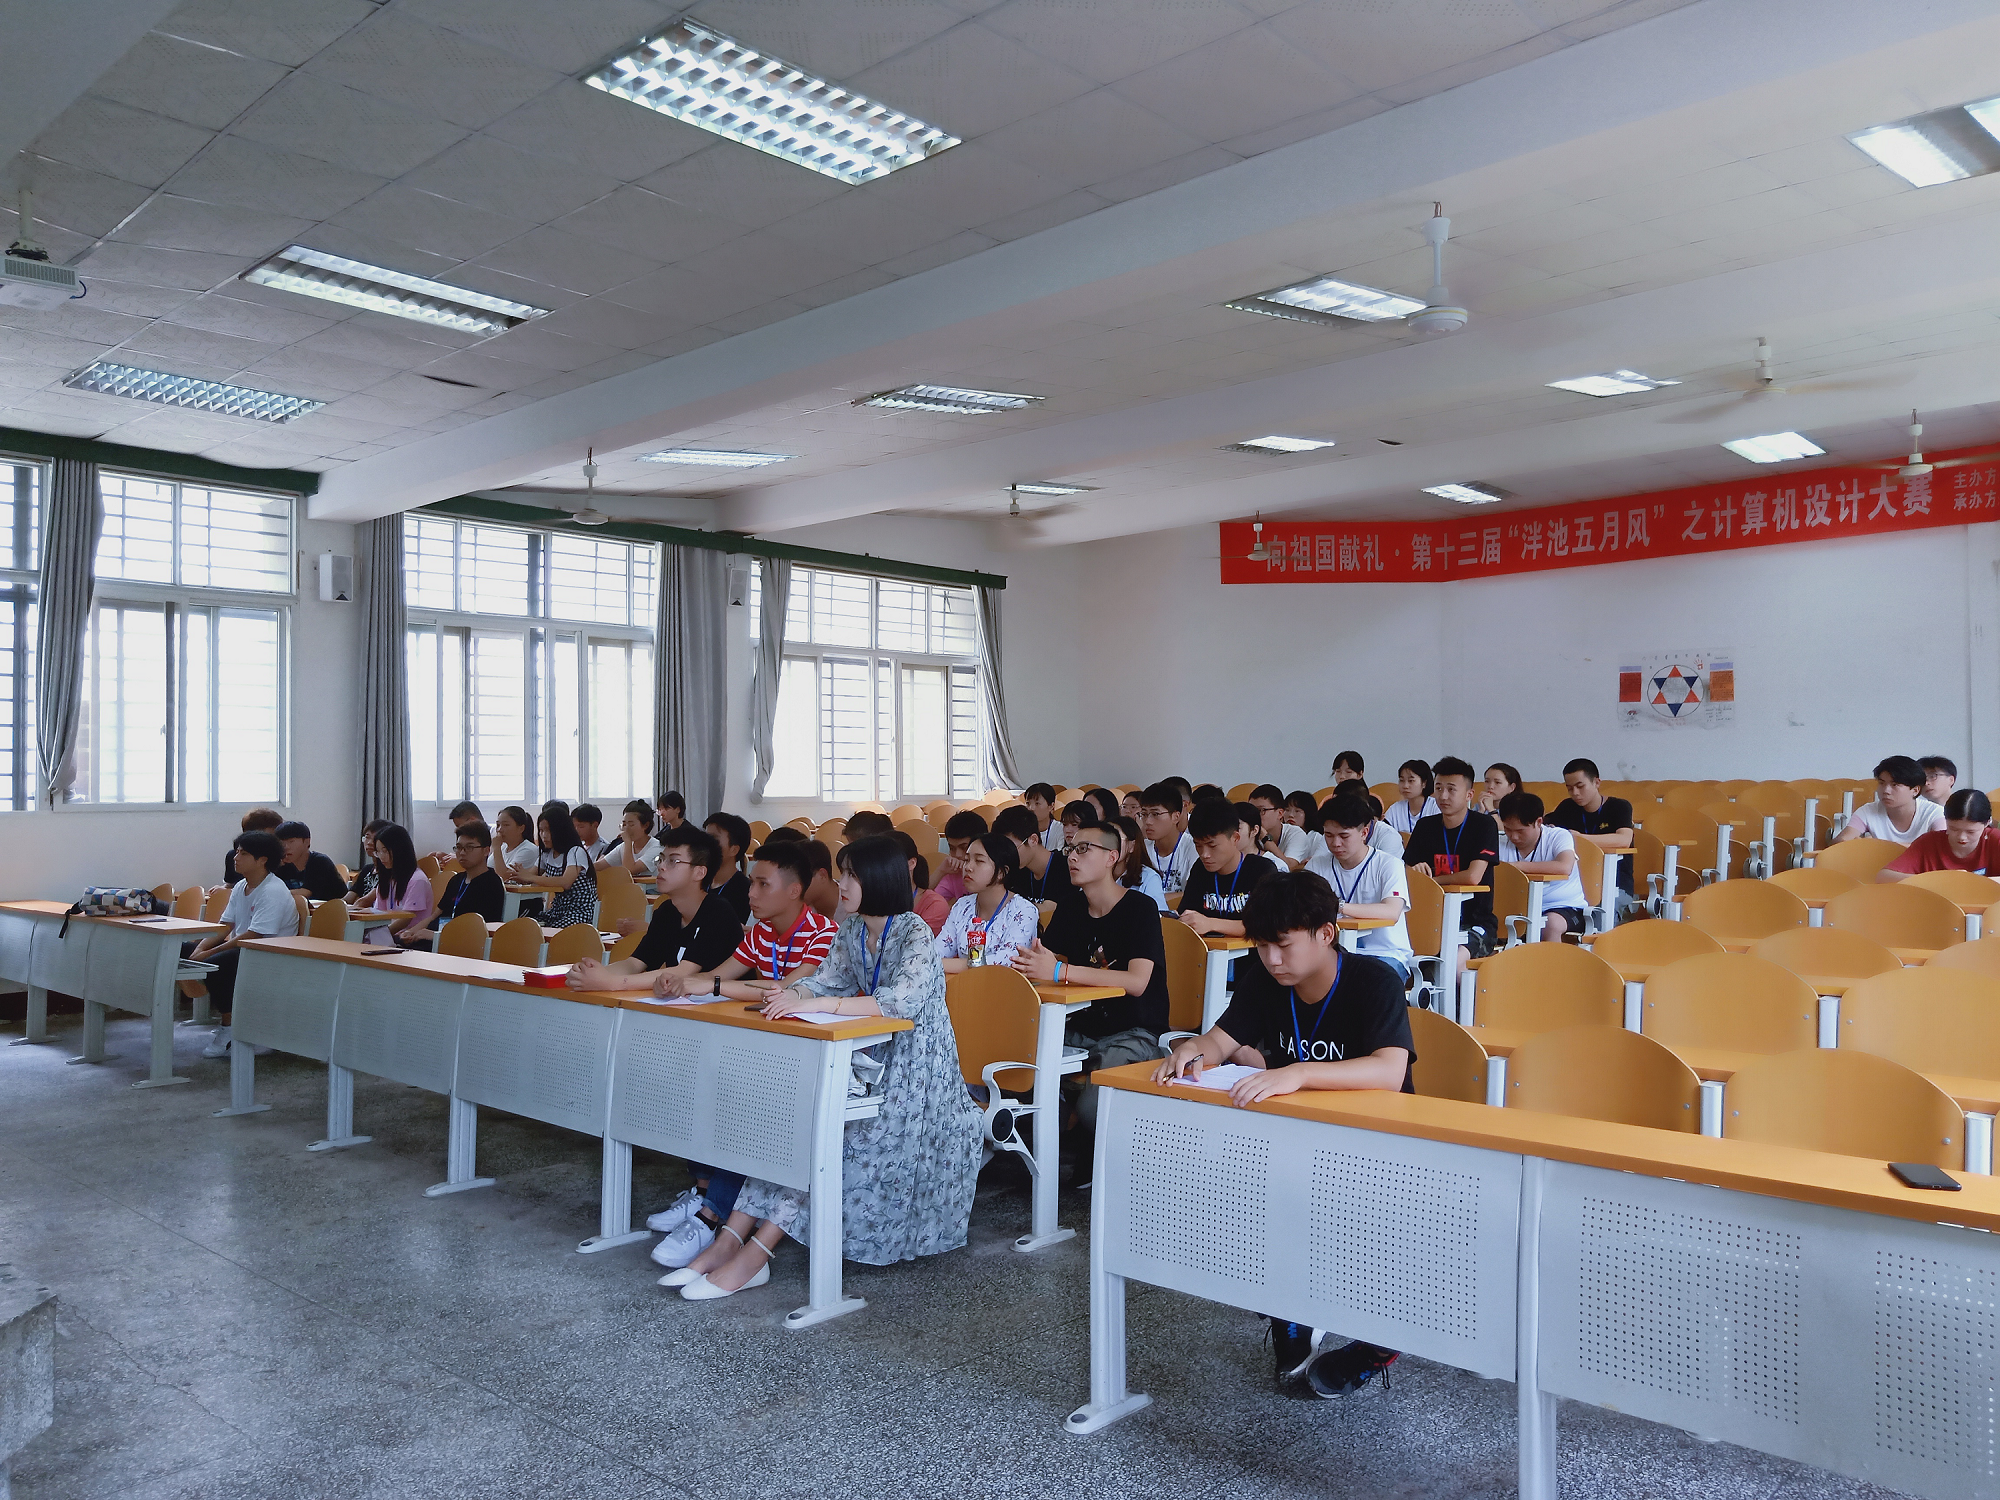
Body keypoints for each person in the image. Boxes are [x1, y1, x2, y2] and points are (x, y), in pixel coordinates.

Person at [667, 836, 980, 1300]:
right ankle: (730, 1240)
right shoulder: (852, 929)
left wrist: (824, 1003)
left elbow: (900, 1002)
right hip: (868, 1056)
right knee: (789, 1125)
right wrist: (794, 994)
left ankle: (756, 1255)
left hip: (917, 1076)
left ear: (878, 880)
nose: (841, 884)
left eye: (851, 875)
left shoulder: (914, 931)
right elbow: (824, 980)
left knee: (826, 1135)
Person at [1152, 871, 1411, 1398]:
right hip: (1301, 1143)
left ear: (1326, 933)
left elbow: (1389, 1070)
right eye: (1262, 945)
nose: (1272, 959)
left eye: (1284, 945)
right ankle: (1291, 1308)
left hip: (1381, 1147)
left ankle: (1380, 1344)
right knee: (1258, 1207)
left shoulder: (1374, 980)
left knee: (1377, 1257)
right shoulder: (1266, 982)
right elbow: (1220, 1041)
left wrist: (1298, 1073)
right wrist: (1193, 1050)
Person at [589, 826, 791, 1269]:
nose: (660, 867)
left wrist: (614, 982)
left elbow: (694, 974)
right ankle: (701, 1191)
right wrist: (598, 973)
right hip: (702, 1028)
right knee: (686, 1097)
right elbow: (645, 963)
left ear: (700, 871)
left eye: (671, 860)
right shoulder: (670, 913)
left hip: (752, 1041)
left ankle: (712, 1214)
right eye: (660, 859)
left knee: (725, 1105)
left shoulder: (721, 914)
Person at [1010, 825, 1169, 1131]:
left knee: (1093, 1110)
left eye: (1084, 849)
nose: (1072, 857)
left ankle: (1077, 1132)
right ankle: (1057, 1135)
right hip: (1078, 1027)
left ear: (1112, 857)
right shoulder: (1071, 906)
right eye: (1070, 849)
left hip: (1132, 1031)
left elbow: (1137, 982)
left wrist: (1060, 971)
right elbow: (1051, 961)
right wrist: (1038, 963)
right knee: (1019, 1068)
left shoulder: (1140, 908)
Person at [660, 840, 835, 1002]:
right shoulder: (760, 931)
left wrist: (715, 986)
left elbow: (787, 988)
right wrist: (676, 982)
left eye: (763, 884)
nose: (751, 893)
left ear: (794, 891)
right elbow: (715, 976)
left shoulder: (824, 933)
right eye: (751, 883)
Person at [195, 830, 301, 1058]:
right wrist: (200, 948)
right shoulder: (241, 885)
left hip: (269, 954)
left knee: (218, 964)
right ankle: (235, 1023)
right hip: (246, 949)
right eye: (236, 852)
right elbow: (225, 925)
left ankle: (229, 1028)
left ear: (262, 860)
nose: (235, 858)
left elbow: (255, 935)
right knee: (184, 949)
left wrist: (210, 952)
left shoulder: (272, 890)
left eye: (243, 853)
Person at [1307, 795, 1415, 983]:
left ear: (1364, 833)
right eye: (1329, 835)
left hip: (1385, 953)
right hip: (1333, 952)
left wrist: (1339, 906)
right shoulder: (1317, 866)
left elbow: (1391, 911)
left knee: (1360, 982)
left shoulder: (1388, 864)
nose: (1335, 843)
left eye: (1344, 836)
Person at [1404, 757, 1501, 965]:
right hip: (1432, 921)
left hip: (1475, 922)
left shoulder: (1484, 825)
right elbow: (1407, 873)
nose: (1443, 796)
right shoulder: (1425, 826)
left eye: (1451, 789)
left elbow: (1473, 877)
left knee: (1454, 964)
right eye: (1438, 788)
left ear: (1469, 794)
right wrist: (1414, 872)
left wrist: (1431, 882)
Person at [1495, 791, 1589, 943]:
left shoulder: (1558, 836)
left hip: (1564, 907)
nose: (1513, 837)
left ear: (1538, 822)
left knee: (1550, 924)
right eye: (1508, 829)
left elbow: (1564, 867)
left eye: (1520, 831)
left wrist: (1518, 866)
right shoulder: (1499, 842)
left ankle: (1548, 959)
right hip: (1516, 908)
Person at [936, 832, 1037, 972]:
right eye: (966, 860)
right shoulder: (962, 906)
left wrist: (942, 964)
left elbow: (1007, 961)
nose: (968, 867)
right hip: (964, 983)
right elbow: (937, 952)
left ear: (1001, 872)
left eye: (979, 861)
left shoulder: (1024, 910)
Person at [1178, 797, 1275, 939]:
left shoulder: (1262, 869)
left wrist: (1211, 923)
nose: (1204, 854)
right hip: (1207, 951)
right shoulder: (1200, 869)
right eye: (1198, 845)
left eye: (1212, 846)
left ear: (1235, 838)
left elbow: (1266, 924)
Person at [405, 819, 506, 945]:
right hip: (439, 939)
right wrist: (411, 932)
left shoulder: (491, 884)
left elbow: (480, 931)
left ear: (486, 851)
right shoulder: (456, 880)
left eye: (469, 847)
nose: (462, 852)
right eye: (459, 847)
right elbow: (434, 916)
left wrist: (437, 936)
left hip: (462, 945)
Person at [1547, 758, 1635, 898]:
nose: (1575, 793)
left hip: (1615, 884)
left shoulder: (1619, 807)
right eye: (1569, 788)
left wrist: (1579, 838)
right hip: (1575, 884)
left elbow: (1624, 840)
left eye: (1580, 786)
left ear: (1596, 782)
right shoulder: (1567, 807)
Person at [1881, 789, 2000, 879]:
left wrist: (1974, 882)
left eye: (1971, 832)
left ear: (1987, 823)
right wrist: (1939, 880)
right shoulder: (1929, 842)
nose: (1962, 837)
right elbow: (1884, 877)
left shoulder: (1995, 840)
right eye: (1953, 829)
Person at [1831, 756, 1946, 847]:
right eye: (1882, 783)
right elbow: (1840, 842)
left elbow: (1942, 847)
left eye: (1895, 785)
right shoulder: (1868, 810)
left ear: (1915, 790)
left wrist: (1878, 846)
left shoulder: (1935, 813)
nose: (1886, 791)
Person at [522, 802, 598, 929]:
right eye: (541, 830)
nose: (544, 835)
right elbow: (529, 876)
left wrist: (531, 878)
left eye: (549, 830)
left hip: (580, 912)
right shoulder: (547, 854)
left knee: (550, 931)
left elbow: (566, 882)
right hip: (557, 911)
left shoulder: (575, 851)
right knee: (526, 926)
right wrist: (519, 875)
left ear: (562, 830)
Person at [363, 823, 430, 947]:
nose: (381, 857)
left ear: (400, 850)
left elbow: (406, 919)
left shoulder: (418, 880)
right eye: (378, 852)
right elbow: (379, 913)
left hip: (410, 939)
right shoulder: (387, 879)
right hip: (390, 936)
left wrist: (378, 935)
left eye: (385, 851)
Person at [994, 804, 1071, 909]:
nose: (1007, 855)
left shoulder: (1067, 868)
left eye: (1011, 848)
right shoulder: (1016, 873)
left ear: (1033, 840)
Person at [1137, 780, 1196, 895]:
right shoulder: (1141, 848)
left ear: (1176, 817)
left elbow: (1192, 895)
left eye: (1155, 814)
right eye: (1144, 814)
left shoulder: (1192, 847)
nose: (1148, 821)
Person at [889, 829, 952, 935]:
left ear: (911, 863)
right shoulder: (868, 899)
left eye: (888, 863)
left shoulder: (934, 905)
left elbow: (915, 942)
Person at [273, 821, 346, 901]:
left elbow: (306, 892)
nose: (286, 847)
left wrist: (276, 893)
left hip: (333, 907)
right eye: (281, 843)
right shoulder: (283, 864)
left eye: (291, 842)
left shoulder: (320, 862)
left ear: (307, 842)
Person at [1108, 814, 1167, 910]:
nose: (1108, 845)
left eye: (1116, 838)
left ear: (1132, 846)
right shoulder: (1094, 874)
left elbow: (1159, 915)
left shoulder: (1148, 878)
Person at [1249, 784, 1313, 872]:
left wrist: (1265, 839)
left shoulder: (1296, 833)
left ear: (1280, 813)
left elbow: (1288, 868)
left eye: (1261, 810)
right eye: (1252, 810)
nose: (1254, 816)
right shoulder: (1247, 832)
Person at [705, 813, 753, 923]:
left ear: (733, 850)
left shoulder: (745, 892)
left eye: (713, 839)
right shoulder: (699, 882)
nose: (705, 844)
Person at [933, 810, 989, 904]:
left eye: (964, 847)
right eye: (952, 848)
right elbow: (923, 901)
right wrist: (940, 871)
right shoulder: (953, 873)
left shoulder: (994, 872)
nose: (957, 855)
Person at [224, 808, 284, 884]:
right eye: (272, 835)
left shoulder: (283, 858)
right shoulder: (234, 856)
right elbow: (230, 884)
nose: (277, 840)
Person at [598, 799, 657, 876]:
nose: (626, 829)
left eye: (631, 825)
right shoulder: (623, 846)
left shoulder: (656, 847)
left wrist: (628, 842)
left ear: (646, 825)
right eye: (624, 824)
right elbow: (599, 866)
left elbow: (630, 870)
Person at [1386, 759, 1440, 837]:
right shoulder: (1395, 809)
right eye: (1401, 780)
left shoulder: (1436, 806)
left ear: (1424, 783)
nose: (1405, 786)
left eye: (1411, 781)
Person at [345, 819, 390, 906]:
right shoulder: (367, 869)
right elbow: (349, 897)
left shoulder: (388, 871)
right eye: (367, 837)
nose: (369, 842)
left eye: (375, 838)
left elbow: (364, 902)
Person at [492, 805, 540, 881]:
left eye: (506, 825)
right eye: (498, 825)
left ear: (521, 828)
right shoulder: (503, 847)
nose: (499, 830)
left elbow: (504, 877)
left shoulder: (529, 850)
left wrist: (496, 849)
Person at [1024, 782, 1063, 850]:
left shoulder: (1060, 829)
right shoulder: (1022, 829)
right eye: (1028, 803)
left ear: (1051, 806)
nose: (1031, 808)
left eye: (1037, 803)